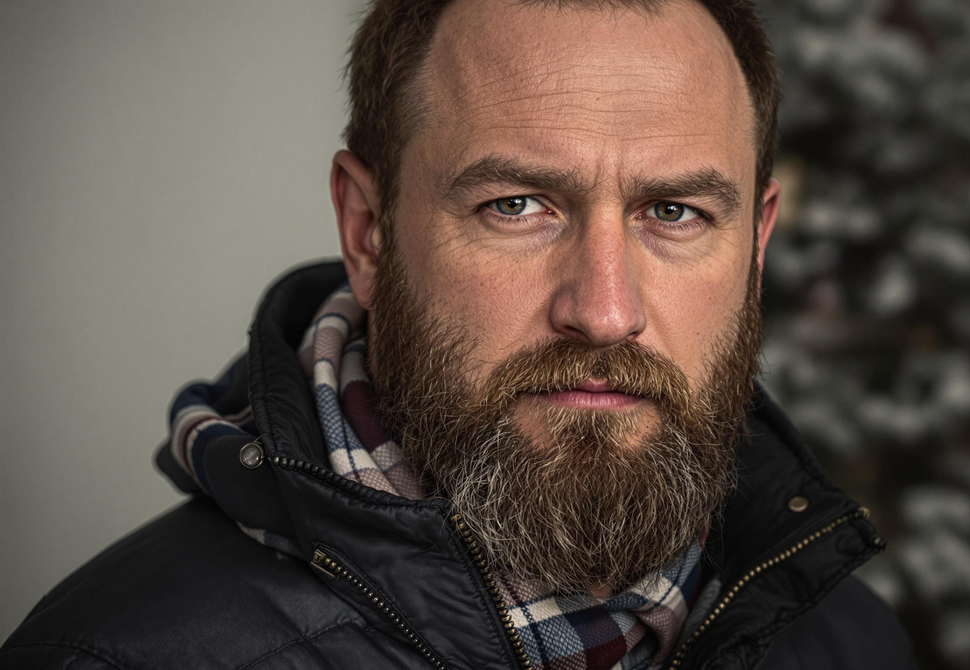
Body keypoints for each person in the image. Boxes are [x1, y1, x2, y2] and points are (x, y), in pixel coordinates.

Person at [0, 0, 916, 667]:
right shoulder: (116, 657)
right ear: (369, 231)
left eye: (674, 212)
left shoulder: (854, 644)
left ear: (756, 244)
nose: (604, 311)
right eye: (516, 205)